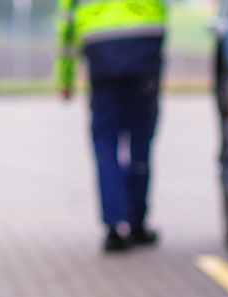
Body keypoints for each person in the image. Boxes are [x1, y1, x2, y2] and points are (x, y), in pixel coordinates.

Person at [56, 0, 165, 252]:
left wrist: (65, 76)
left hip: (101, 47)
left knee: (106, 142)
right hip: (144, 41)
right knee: (140, 139)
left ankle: (114, 227)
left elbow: (66, 22)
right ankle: (137, 223)